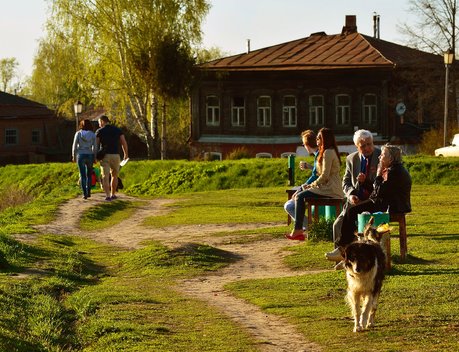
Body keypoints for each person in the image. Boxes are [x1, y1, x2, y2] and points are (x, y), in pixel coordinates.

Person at [325, 144, 412, 261]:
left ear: (390, 159)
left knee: (352, 212)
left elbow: (379, 192)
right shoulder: (394, 169)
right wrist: (365, 181)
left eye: (383, 155)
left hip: (392, 207)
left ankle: (344, 250)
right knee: (352, 211)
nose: (379, 157)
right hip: (387, 203)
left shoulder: (394, 172)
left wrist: (378, 174)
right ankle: (347, 251)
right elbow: (378, 191)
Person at [326, 129, 381, 259]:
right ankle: (343, 259)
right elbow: (345, 182)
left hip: (372, 201)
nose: (368, 148)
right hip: (354, 200)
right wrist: (350, 194)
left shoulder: (381, 156)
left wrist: (366, 181)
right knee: (337, 225)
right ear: (357, 146)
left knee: (355, 222)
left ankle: (348, 255)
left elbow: (382, 185)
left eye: (369, 144)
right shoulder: (352, 159)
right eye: (363, 146)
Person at [286, 127, 344, 241]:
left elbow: (324, 175)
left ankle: (299, 229)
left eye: (318, 138)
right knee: (300, 196)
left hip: (330, 189)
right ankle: (299, 229)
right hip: (326, 187)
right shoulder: (326, 151)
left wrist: (310, 185)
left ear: (324, 139)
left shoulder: (328, 152)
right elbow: (319, 173)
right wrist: (308, 183)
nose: (316, 141)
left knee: (299, 196)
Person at [284, 130, 319, 230]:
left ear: (307, 145)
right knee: (291, 203)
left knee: (289, 205)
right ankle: (306, 227)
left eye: (304, 144)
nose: (304, 146)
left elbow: (316, 176)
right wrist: (310, 167)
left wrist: (300, 190)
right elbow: (319, 173)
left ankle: (308, 228)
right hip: (317, 186)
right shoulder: (319, 154)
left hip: (319, 188)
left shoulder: (319, 155)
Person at [95, 115, 129, 201]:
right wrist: (125, 154)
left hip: (104, 156)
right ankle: (113, 194)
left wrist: (95, 156)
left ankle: (107, 196)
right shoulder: (117, 130)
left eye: (99, 122)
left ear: (102, 121)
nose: (99, 125)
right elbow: (123, 142)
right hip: (116, 155)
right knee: (114, 175)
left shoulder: (99, 131)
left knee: (105, 176)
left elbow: (96, 145)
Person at [72, 119, 97, 200]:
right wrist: (94, 157)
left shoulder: (78, 133)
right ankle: (89, 191)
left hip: (81, 155)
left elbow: (74, 146)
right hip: (89, 154)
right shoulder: (93, 135)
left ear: (81, 125)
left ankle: (84, 193)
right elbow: (95, 147)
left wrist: (73, 156)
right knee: (89, 175)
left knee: (83, 175)